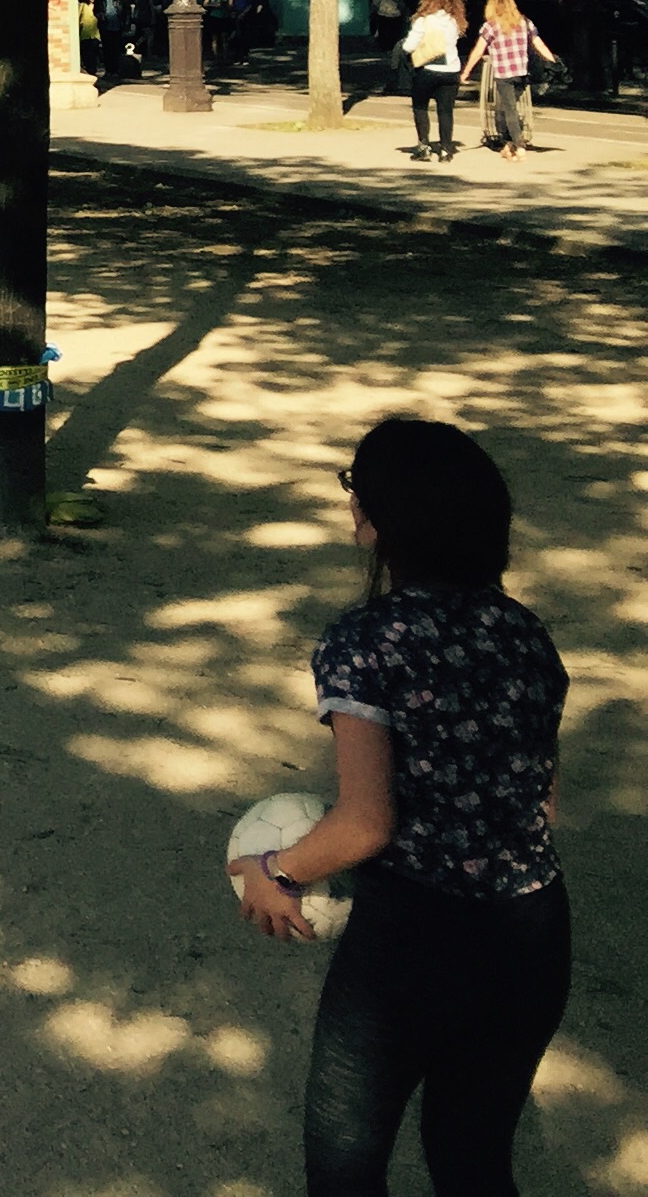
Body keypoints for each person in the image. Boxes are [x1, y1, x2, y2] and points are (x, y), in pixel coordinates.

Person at [233, 419, 570, 1197]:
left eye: (357, 490)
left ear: (382, 522)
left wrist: (273, 871)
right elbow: (543, 799)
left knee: (345, 1165)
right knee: (475, 1157)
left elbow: (364, 823)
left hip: (414, 945)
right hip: (534, 934)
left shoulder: (367, 640)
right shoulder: (526, 633)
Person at [473, 0, 563, 158]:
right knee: (509, 108)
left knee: (509, 109)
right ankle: (508, 144)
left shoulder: (490, 26)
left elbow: (478, 50)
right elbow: (539, 44)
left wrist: (466, 72)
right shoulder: (525, 22)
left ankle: (518, 144)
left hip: (503, 74)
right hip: (522, 73)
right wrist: (554, 63)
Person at [401, 0, 468, 161]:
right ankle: (446, 149)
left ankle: (424, 145)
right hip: (451, 70)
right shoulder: (455, 21)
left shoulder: (424, 20)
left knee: (420, 106)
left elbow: (408, 46)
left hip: (427, 69)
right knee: (446, 111)